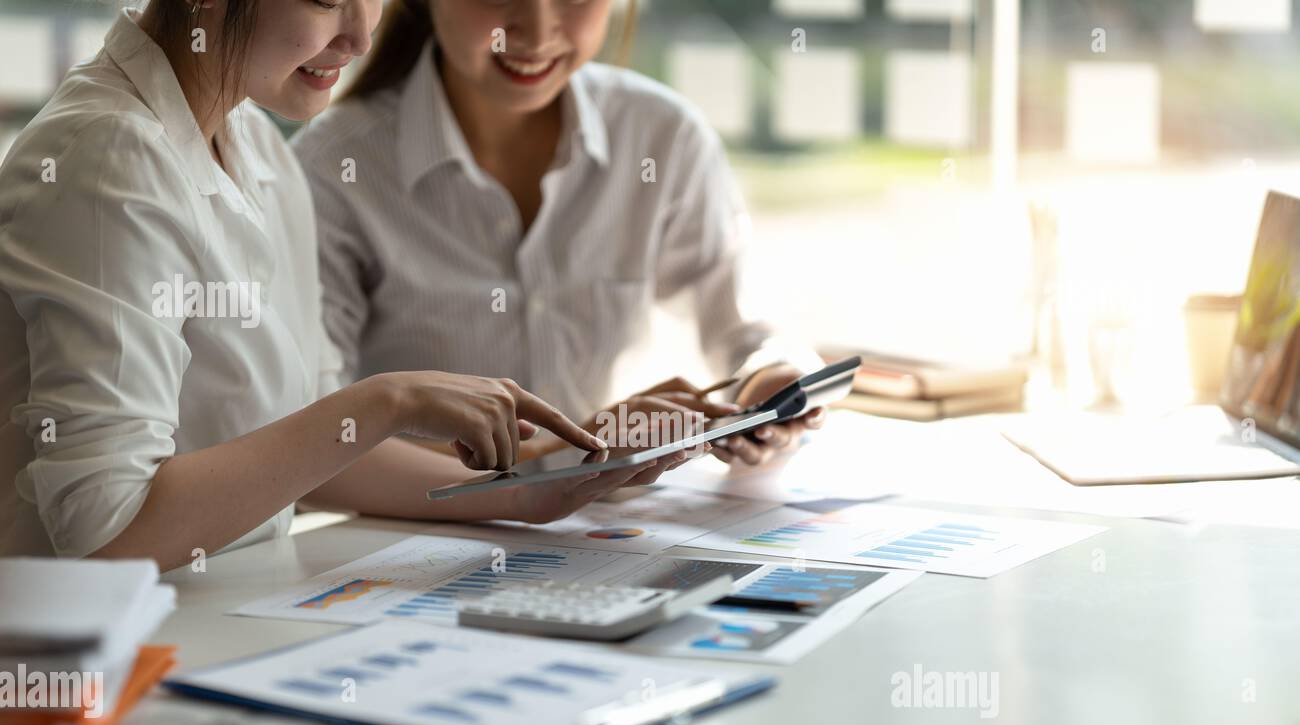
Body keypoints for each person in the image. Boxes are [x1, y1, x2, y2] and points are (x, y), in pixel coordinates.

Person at [0, 0, 692, 570]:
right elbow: (107, 530)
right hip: (92, 677)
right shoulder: (106, 159)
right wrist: (390, 399)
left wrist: (541, 482)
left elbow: (317, 459)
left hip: (217, 629)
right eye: (328, 0)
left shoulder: (257, 146)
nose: (362, 37)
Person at [292, 0, 826, 468]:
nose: (540, 28)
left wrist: (770, 380)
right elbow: (315, 433)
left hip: (618, 534)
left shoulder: (662, 138)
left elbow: (746, 327)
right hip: (420, 540)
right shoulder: (335, 168)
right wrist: (577, 450)